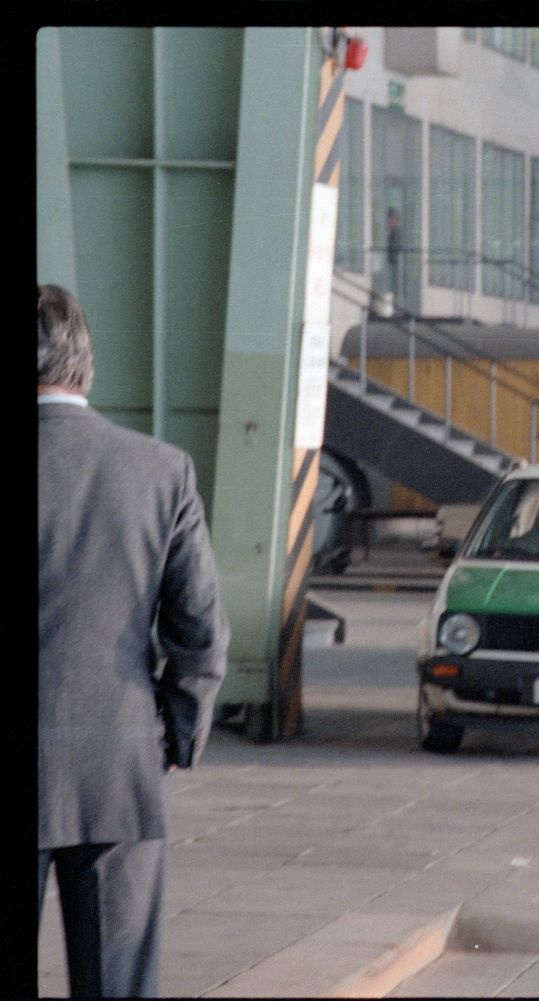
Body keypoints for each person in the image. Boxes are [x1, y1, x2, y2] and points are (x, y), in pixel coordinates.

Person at [38, 284, 230, 997]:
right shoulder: (160, 470)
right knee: (117, 983)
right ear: (84, 365)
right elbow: (201, 630)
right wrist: (176, 735)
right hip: (118, 763)